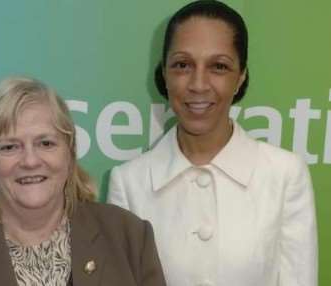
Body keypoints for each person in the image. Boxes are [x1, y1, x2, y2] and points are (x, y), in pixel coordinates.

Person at [107, 1, 318, 285]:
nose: (198, 84)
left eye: (218, 66)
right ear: (165, 73)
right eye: (182, 65)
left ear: (240, 76)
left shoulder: (285, 175)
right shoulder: (128, 183)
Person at [0, 77, 166, 286]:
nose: (30, 161)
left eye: (46, 143)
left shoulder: (128, 236)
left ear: (70, 151)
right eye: (9, 147)